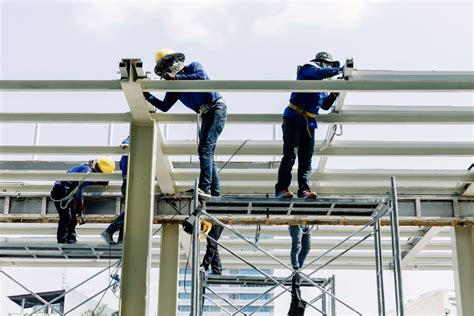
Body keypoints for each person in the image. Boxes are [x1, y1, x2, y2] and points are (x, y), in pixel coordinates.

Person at [143, 48, 227, 200]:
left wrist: (176, 78)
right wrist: (147, 95)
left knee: (205, 149)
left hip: (216, 109)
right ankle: (215, 192)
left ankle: (205, 187)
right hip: (207, 114)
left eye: (167, 65)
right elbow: (164, 107)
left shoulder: (193, 67)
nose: (166, 70)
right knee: (206, 151)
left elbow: (201, 77)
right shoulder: (175, 87)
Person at [275, 51, 343, 199]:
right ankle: (281, 189)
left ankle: (304, 190)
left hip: (309, 122)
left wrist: (333, 94)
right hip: (293, 117)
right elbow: (319, 73)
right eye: (330, 67)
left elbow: (324, 106)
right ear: (323, 63)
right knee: (290, 155)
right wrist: (340, 70)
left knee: (306, 158)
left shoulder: (320, 85)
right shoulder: (308, 69)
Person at [50, 157, 115, 244]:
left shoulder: (86, 168)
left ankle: (70, 238)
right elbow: (79, 188)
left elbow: (82, 183)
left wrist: (97, 182)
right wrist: (80, 203)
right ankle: (62, 240)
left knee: (71, 217)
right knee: (66, 217)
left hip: (67, 192)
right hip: (61, 191)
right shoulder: (87, 172)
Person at [100, 136, 129, 244]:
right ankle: (109, 231)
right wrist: (126, 145)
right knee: (131, 210)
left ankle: (121, 240)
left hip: (129, 183)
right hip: (130, 183)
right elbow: (126, 142)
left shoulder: (125, 159)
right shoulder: (132, 144)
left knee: (128, 212)